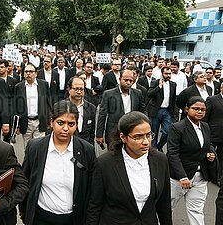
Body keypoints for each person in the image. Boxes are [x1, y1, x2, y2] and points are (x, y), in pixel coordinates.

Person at [87, 111, 172, 225]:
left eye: (148, 135)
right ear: (123, 137)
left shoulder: (160, 160)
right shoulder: (105, 163)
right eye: (138, 137)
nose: (146, 142)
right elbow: (95, 206)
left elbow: (164, 204)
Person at [20, 100, 96, 225]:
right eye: (60, 123)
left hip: (73, 219)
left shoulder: (87, 151)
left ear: (76, 125)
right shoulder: (35, 148)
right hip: (40, 218)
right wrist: (24, 211)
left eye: (71, 124)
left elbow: (92, 190)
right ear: (51, 122)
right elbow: (25, 181)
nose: (65, 128)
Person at [167, 96, 217, 225]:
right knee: (167, 208)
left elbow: (207, 144)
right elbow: (172, 153)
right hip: (178, 178)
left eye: (202, 109)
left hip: (200, 177)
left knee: (196, 211)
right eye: (195, 109)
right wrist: (182, 177)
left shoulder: (205, 126)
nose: (199, 112)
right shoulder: (177, 127)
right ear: (186, 109)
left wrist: (210, 153)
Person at [96, 69, 145, 149]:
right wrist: (99, 134)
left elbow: (142, 111)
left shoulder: (137, 93)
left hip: (132, 132)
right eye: (126, 80)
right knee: (113, 157)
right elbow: (102, 115)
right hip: (113, 132)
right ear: (120, 79)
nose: (128, 83)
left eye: (131, 81)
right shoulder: (108, 94)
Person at [14, 64, 51, 147]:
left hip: (39, 121)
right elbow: (16, 107)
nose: (28, 74)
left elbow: (48, 103)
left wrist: (49, 119)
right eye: (26, 71)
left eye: (31, 71)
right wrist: (17, 125)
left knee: (39, 147)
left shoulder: (43, 85)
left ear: (36, 73)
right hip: (26, 122)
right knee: (28, 148)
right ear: (23, 74)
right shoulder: (18, 87)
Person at [146, 66, 176, 151]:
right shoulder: (155, 82)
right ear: (162, 74)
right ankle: (154, 149)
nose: (168, 75)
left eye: (170, 74)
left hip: (167, 111)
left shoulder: (173, 84)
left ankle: (159, 146)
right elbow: (149, 94)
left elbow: (173, 99)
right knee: (154, 132)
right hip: (156, 110)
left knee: (167, 132)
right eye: (166, 74)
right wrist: (159, 87)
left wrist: (173, 114)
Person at [68, 77, 96, 144]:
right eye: (76, 89)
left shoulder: (91, 108)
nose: (79, 92)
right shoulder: (62, 107)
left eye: (81, 89)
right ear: (69, 89)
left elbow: (92, 130)